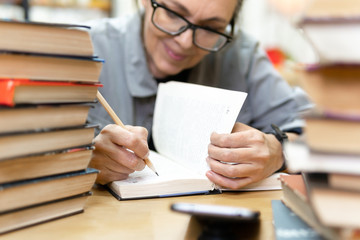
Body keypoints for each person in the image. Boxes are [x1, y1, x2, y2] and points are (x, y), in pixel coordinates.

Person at [87, 0, 312, 188]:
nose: (184, 42)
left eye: (210, 28)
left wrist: (279, 150)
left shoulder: (242, 56)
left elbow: (319, 133)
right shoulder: (86, 48)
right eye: (174, 13)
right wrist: (83, 158)